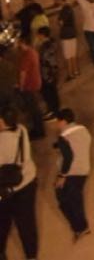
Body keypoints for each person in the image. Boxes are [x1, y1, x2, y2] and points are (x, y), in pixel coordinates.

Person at [0, 106, 38, 259]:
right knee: (27, 222)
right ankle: (31, 256)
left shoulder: (2, 143)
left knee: (2, 220)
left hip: (6, 190)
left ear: (2, 122)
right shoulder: (21, 129)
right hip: (28, 181)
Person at [52, 108, 91, 241]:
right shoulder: (83, 130)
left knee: (64, 199)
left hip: (71, 173)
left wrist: (62, 176)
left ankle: (80, 228)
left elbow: (68, 157)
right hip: (84, 169)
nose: (57, 124)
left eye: (57, 121)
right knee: (76, 199)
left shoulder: (63, 138)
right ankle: (82, 226)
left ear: (63, 121)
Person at [15, 36, 45, 139]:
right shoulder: (33, 52)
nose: (18, 45)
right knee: (36, 108)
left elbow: (23, 73)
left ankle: (38, 131)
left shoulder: (26, 56)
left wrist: (21, 87)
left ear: (23, 43)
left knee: (34, 109)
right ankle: (39, 129)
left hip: (29, 85)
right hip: (36, 82)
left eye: (19, 43)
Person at [54, 0, 80, 80]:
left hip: (66, 35)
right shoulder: (69, 8)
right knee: (73, 54)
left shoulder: (64, 10)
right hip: (73, 33)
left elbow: (60, 23)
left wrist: (58, 22)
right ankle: (75, 71)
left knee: (68, 56)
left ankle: (70, 74)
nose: (55, 1)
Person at [37, 27, 61, 120]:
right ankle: (54, 110)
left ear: (42, 35)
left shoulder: (46, 47)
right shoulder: (51, 44)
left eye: (39, 35)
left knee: (49, 93)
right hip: (51, 72)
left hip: (47, 73)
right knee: (53, 92)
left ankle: (53, 111)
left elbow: (46, 60)